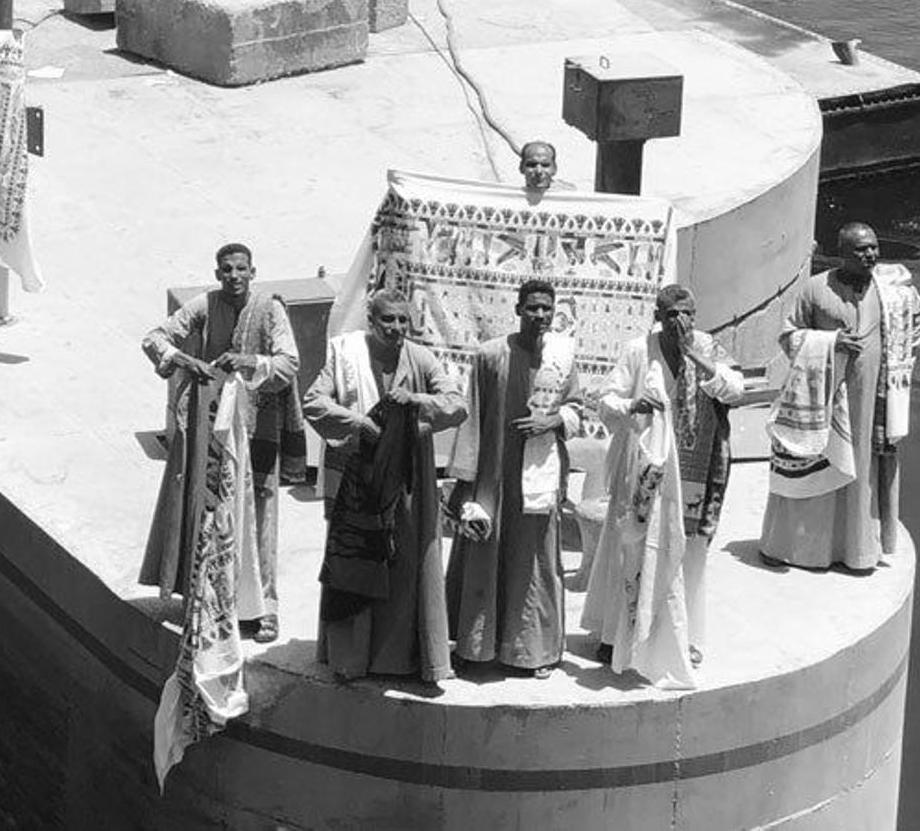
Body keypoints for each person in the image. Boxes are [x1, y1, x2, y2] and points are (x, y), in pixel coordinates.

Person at [583, 284, 744, 687]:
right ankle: (614, 635)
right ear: (658, 315)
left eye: (687, 313)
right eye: (671, 314)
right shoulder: (639, 350)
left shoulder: (706, 346)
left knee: (686, 553)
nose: (680, 322)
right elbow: (606, 400)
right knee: (631, 546)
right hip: (644, 468)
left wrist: (696, 359)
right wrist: (632, 406)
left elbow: (735, 389)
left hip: (692, 468)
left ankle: (680, 633)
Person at [303, 290, 467, 682]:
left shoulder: (420, 358)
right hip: (358, 478)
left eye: (402, 321)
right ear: (371, 321)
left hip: (406, 477)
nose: (395, 328)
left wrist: (414, 400)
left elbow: (456, 404)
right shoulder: (345, 355)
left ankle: (402, 658)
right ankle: (351, 658)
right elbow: (313, 402)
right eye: (387, 320)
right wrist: (358, 423)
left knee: (407, 560)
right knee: (355, 560)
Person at [140, 242, 299, 643]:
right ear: (217, 274)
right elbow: (154, 338)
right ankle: (206, 595)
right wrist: (183, 359)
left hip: (256, 425)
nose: (233, 276)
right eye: (226, 270)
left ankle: (265, 608)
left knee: (258, 514)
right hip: (212, 424)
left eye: (240, 269)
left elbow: (289, 362)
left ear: (252, 271)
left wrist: (250, 363)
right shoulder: (204, 306)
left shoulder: (270, 310)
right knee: (208, 508)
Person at [760, 222, 920, 573]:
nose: (871, 255)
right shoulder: (815, 289)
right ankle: (801, 549)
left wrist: (898, 358)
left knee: (864, 466)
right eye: (861, 250)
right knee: (817, 467)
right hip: (825, 398)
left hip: (872, 403)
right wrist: (830, 343)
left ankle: (859, 551)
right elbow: (789, 336)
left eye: (873, 247)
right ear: (841, 254)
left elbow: (918, 319)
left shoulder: (892, 290)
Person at [445, 279, 582, 678]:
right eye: (532, 308)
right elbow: (470, 417)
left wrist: (552, 420)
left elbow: (577, 406)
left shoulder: (562, 356)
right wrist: (464, 482)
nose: (540, 316)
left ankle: (532, 651)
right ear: (518, 309)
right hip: (493, 474)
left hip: (539, 475)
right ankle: (475, 646)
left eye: (547, 309)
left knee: (534, 559)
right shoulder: (490, 355)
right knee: (484, 550)